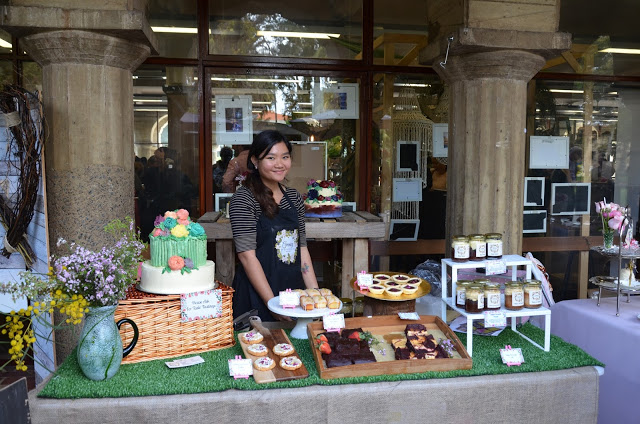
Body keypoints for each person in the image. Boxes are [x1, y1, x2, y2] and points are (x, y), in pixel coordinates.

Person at [229, 130, 319, 321]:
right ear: (255, 160)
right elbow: (247, 257)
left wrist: (315, 296)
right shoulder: (244, 199)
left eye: (285, 157)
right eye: (271, 158)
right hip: (257, 297)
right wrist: (272, 305)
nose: (280, 164)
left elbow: (302, 249)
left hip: (292, 293)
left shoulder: (294, 197)